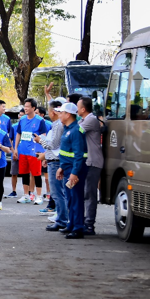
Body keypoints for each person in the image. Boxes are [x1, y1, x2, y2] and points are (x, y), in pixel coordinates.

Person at [56, 102, 88, 239]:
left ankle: (78, 227)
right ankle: (72, 224)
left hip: (75, 171)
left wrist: (74, 173)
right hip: (68, 169)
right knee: (70, 198)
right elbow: (67, 152)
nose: (59, 115)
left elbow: (79, 155)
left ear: (68, 114)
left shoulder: (76, 131)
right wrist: (62, 167)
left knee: (76, 198)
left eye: (61, 112)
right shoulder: (68, 129)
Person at [36, 101, 68, 230]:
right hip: (53, 160)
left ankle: (62, 219)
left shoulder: (58, 125)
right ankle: (62, 218)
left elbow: (53, 145)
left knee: (57, 193)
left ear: (52, 112)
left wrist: (40, 141)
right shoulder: (57, 124)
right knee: (58, 193)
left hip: (56, 162)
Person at [14, 98, 48, 204]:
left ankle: (38, 196)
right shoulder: (22, 119)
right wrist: (15, 148)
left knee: (37, 174)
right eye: (25, 106)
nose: (26, 108)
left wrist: (39, 143)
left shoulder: (39, 120)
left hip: (34, 151)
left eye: (28, 106)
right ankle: (25, 195)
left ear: (33, 108)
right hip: (23, 150)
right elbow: (19, 133)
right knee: (24, 173)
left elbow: (44, 134)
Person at [78, 96, 103, 236]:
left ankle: (89, 225)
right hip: (87, 161)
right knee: (84, 193)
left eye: (77, 106)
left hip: (93, 161)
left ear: (83, 109)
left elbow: (75, 132)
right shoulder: (84, 120)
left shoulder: (91, 120)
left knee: (90, 194)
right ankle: (83, 222)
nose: (76, 109)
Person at [7, 108, 24, 198]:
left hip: (26, 153)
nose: (21, 116)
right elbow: (10, 140)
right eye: (20, 115)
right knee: (14, 173)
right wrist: (13, 151)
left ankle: (28, 191)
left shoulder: (28, 126)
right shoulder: (14, 126)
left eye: (23, 115)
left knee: (26, 173)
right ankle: (14, 191)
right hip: (16, 153)